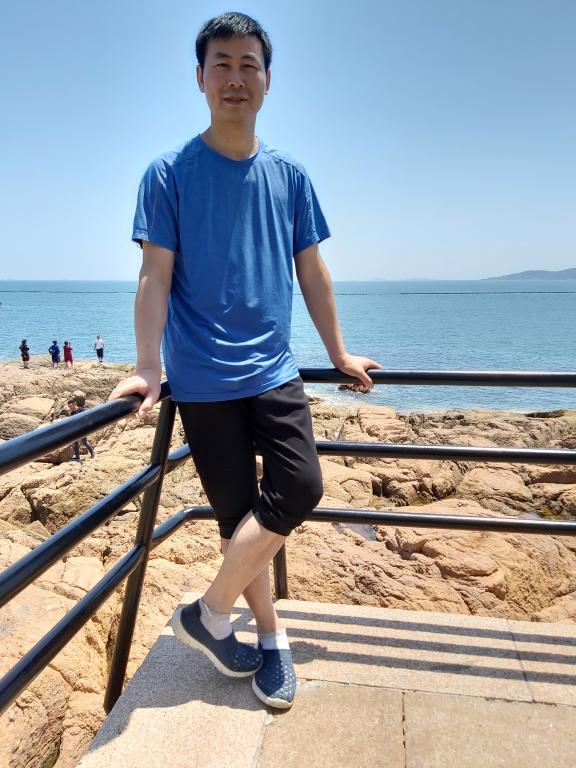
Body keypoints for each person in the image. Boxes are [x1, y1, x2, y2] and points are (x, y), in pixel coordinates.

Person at [109, 11, 381, 710]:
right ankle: (271, 639)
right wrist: (147, 366)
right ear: (200, 78)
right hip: (201, 379)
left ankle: (209, 612)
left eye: (248, 65)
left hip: (273, 370)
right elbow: (155, 277)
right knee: (237, 517)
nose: (236, 77)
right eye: (222, 64)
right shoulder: (168, 173)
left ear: (267, 79)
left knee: (301, 485)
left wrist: (338, 352)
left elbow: (312, 272)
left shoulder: (289, 175)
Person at [67, 395, 95, 460]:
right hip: (75, 429)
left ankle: (92, 452)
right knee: (75, 442)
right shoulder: (72, 413)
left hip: (82, 428)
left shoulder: (81, 409)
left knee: (84, 442)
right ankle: (77, 456)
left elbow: (87, 418)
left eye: (71, 406)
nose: (70, 408)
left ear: (74, 404)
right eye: (69, 407)